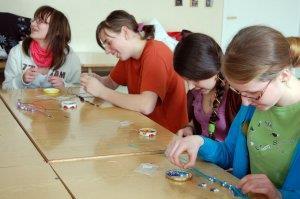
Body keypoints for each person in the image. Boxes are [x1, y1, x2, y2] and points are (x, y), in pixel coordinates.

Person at [166, 26, 300, 199]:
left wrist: (279, 195)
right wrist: (198, 142)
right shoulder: (252, 105)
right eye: (240, 93)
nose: (245, 102)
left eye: (254, 94)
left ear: (284, 76)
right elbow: (229, 154)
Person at [80, 10, 188, 133]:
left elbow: (146, 105)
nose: (107, 51)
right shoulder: (128, 56)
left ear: (125, 32)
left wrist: (101, 91)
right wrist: (96, 80)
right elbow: (110, 83)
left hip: (168, 135)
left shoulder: (155, 53)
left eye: (109, 43)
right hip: (143, 127)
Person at [173, 33, 241, 140]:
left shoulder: (236, 93)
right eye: (187, 80)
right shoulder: (197, 92)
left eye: (195, 80)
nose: (190, 87)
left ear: (213, 68)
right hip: (202, 154)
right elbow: (202, 122)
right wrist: (190, 128)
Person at [2, 5, 81, 90]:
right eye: (34, 20)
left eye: (40, 21)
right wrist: (21, 80)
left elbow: (78, 89)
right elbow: (6, 88)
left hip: (58, 103)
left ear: (57, 30)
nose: (32, 23)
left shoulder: (70, 57)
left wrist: (64, 86)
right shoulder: (17, 52)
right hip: (24, 103)